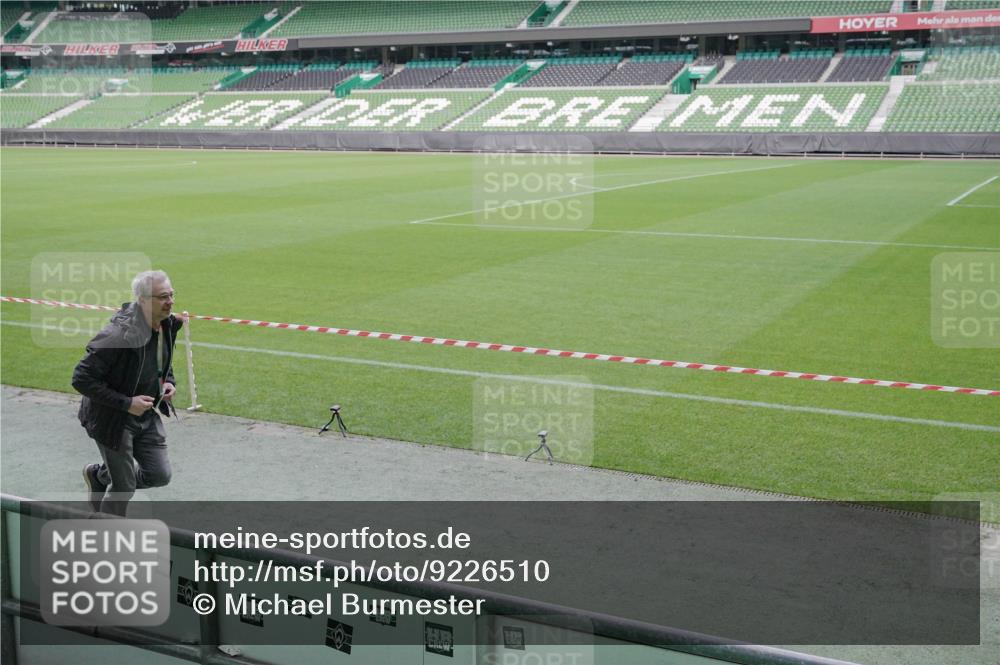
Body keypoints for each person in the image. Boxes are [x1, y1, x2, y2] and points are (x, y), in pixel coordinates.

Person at [73, 270, 183, 515]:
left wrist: (167, 382)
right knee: (124, 486)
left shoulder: (167, 325)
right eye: (163, 297)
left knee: (159, 475)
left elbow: (162, 361)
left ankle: (99, 476)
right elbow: (81, 378)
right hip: (112, 418)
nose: (171, 301)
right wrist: (126, 403)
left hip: (146, 414)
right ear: (143, 300)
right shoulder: (117, 336)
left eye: (172, 294)